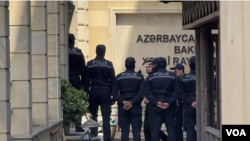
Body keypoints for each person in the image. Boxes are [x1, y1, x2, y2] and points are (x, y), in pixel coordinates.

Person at [84, 44, 115, 141]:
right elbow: (113, 81)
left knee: (93, 116)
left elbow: (86, 81)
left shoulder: (89, 64)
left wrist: (86, 95)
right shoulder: (109, 64)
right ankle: (107, 138)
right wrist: (113, 97)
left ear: (96, 52)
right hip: (106, 92)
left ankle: (94, 136)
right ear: (104, 52)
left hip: (94, 92)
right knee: (106, 117)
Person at [145, 57, 181, 141]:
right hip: (170, 106)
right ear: (165, 65)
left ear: (156, 65)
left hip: (156, 106)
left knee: (155, 130)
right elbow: (177, 91)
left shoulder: (151, 77)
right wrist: (169, 102)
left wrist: (156, 102)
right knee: (171, 129)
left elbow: (147, 92)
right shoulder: (173, 76)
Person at [113, 57, 145, 141]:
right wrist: (132, 103)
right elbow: (141, 93)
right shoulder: (139, 77)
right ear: (134, 65)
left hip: (123, 107)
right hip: (136, 107)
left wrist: (123, 102)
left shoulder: (119, 77)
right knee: (136, 131)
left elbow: (115, 93)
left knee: (124, 131)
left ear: (125, 65)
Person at [143, 59, 168, 141]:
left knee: (153, 127)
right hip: (149, 106)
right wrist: (145, 98)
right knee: (147, 127)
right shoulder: (147, 78)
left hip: (156, 105)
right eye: (146, 67)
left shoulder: (156, 77)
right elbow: (144, 91)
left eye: (149, 66)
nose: (147, 68)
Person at [68, 33, 86, 132]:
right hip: (75, 79)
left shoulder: (62, 51)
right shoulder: (78, 52)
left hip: (65, 79)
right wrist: (83, 84)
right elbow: (83, 70)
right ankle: (78, 125)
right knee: (77, 102)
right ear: (73, 41)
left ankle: (66, 123)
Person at [181, 56, 197, 141]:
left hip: (188, 106)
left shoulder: (184, 78)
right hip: (202, 105)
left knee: (190, 129)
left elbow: (181, 94)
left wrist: (191, 102)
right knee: (202, 127)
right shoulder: (205, 77)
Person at [170, 64, 185, 141]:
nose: (174, 73)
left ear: (181, 71)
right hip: (180, 106)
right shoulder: (177, 80)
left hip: (185, 105)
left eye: (176, 71)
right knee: (177, 126)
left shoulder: (183, 80)